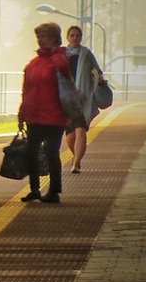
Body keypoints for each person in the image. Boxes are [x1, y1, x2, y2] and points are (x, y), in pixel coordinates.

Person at [17, 22, 73, 204]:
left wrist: (56, 54)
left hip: (55, 116)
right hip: (34, 115)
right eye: (39, 37)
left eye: (44, 37)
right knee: (31, 152)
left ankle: (54, 191)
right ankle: (34, 189)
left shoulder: (60, 60)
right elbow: (26, 90)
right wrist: (22, 112)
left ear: (54, 39)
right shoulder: (33, 64)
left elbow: (67, 80)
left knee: (51, 152)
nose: (40, 40)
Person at [64, 26, 104, 173]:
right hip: (67, 100)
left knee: (80, 131)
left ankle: (75, 164)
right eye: (72, 35)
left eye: (77, 35)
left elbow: (97, 71)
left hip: (83, 98)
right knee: (70, 136)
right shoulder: (62, 54)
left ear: (81, 37)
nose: (75, 38)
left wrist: (98, 79)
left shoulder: (86, 54)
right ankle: (77, 157)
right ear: (67, 37)